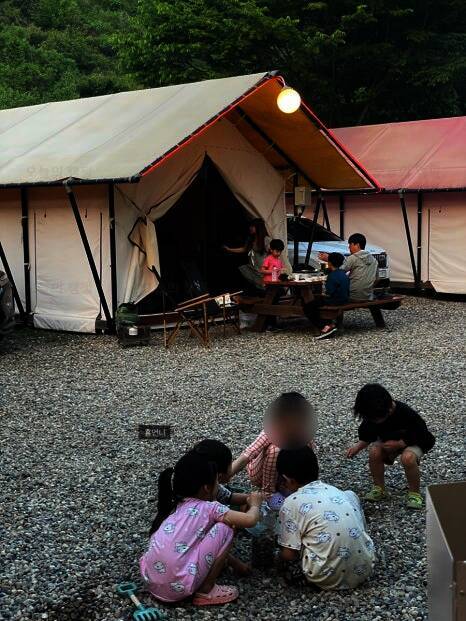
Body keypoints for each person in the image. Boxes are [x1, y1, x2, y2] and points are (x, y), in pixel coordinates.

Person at [140, 449, 262, 606]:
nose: (219, 485)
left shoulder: (176, 504)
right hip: (178, 588)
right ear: (206, 488)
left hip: (150, 580)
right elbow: (250, 520)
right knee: (225, 529)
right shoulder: (210, 508)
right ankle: (206, 590)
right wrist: (256, 504)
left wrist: (237, 565)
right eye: (217, 482)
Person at [276, 446, 375, 590]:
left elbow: (289, 554)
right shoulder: (337, 492)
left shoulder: (291, 502)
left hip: (323, 577)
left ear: (287, 479)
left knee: (281, 550)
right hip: (364, 568)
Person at [346, 383, 435, 509]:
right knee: (374, 452)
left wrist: (401, 443)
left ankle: (415, 493)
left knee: (408, 458)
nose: (373, 421)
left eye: (375, 419)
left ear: (388, 410)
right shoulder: (372, 416)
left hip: (415, 440)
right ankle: (379, 488)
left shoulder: (406, 413)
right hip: (388, 442)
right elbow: (367, 435)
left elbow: (422, 433)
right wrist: (358, 447)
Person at [230, 392, 316, 498]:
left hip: (286, 478)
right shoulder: (273, 430)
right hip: (261, 474)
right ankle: (269, 493)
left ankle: (294, 487)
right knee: (275, 450)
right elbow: (248, 454)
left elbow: (309, 460)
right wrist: (225, 475)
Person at [303, 252, 350, 340]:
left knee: (308, 306)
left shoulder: (332, 276)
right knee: (316, 301)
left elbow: (329, 292)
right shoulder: (343, 274)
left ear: (329, 263)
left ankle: (324, 326)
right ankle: (329, 323)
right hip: (344, 299)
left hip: (334, 300)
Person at [319, 233, 377, 301]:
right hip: (369, 296)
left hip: (353, 296)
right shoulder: (374, 261)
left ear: (357, 245)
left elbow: (337, 272)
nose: (349, 247)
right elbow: (376, 279)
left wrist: (330, 259)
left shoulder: (353, 258)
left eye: (350, 245)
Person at [223, 218, 270, 291]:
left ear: (258, 227)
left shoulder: (266, 239)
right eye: (250, 226)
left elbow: (271, 255)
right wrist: (229, 249)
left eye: (252, 226)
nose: (250, 228)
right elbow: (244, 249)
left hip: (262, 268)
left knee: (263, 286)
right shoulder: (251, 239)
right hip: (252, 267)